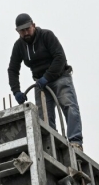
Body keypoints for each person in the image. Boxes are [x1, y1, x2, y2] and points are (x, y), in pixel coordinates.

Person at [7, 13, 84, 150]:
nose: (26, 33)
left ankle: (75, 142)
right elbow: (13, 70)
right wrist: (16, 91)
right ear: (17, 31)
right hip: (40, 83)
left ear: (33, 25)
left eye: (28, 29)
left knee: (69, 106)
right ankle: (52, 147)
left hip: (60, 77)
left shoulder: (47, 36)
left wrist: (47, 77)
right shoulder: (19, 46)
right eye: (22, 31)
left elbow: (60, 58)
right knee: (44, 118)